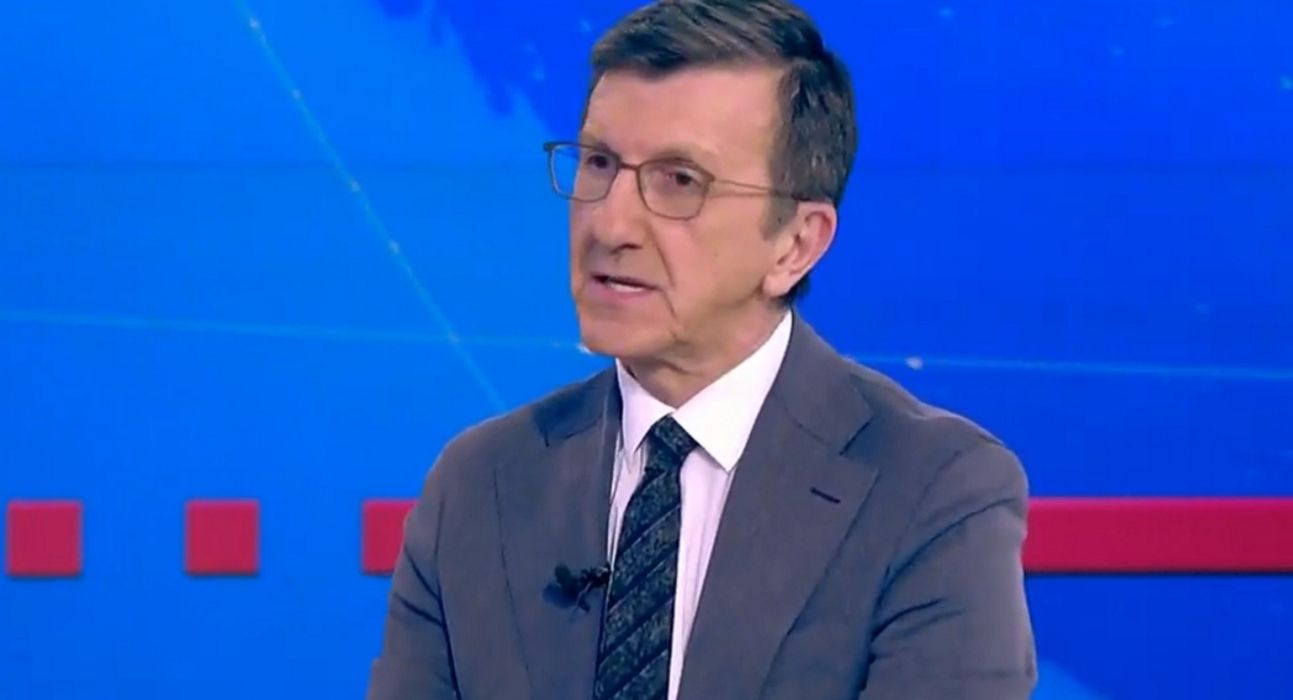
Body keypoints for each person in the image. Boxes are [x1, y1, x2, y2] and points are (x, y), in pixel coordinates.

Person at [366, 1, 1036, 698]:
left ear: (795, 244)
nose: (610, 224)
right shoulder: (480, 486)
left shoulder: (932, 493)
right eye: (598, 163)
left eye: (679, 180)